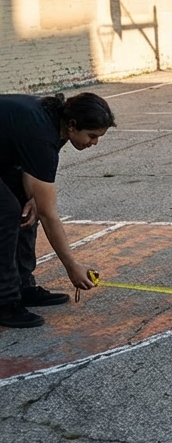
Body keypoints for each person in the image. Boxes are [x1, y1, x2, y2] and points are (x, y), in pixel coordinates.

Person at [1, 92, 113, 328]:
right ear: (72, 125)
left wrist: (32, 196)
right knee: (7, 212)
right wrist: (72, 267)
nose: (95, 143)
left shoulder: (56, 121)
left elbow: (31, 166)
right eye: (92, 136)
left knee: (24, 206)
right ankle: (5, 303)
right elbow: (49, 215)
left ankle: (23, 288)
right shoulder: (42, 134)